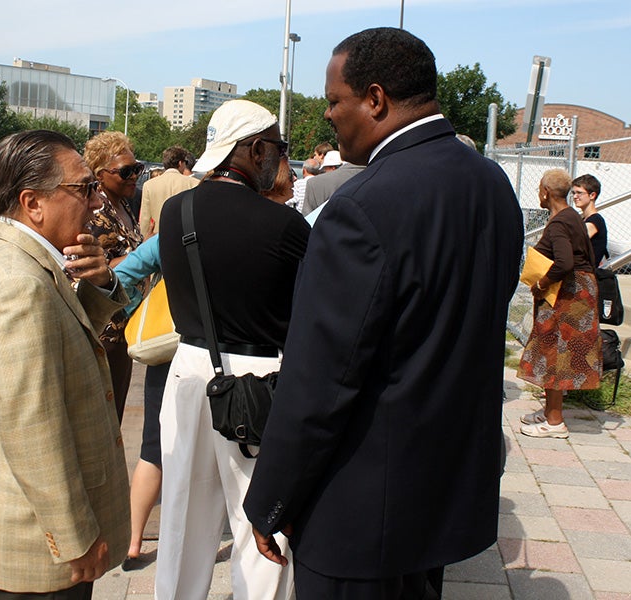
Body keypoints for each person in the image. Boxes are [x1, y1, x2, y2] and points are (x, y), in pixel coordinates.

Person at [243, 27, 524, 599]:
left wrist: (272, 497)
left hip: (360, 513)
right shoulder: (491, 183)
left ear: (375, 99)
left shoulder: (361, 207)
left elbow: (321, 381)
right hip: (441, 494)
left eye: (332, 100)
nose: (326, 115)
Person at [0, 129, 131, 599]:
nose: (96, 203)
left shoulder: (4, 254)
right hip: (41, 550)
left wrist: (103, 283)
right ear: (33, 203)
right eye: (84, 188)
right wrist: (75, 540)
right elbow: (32, 429)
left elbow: (60, 340)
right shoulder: (19, 285)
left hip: (13, 528)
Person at [156, 99, 309, 600]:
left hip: (188, 370)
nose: (280, 160)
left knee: (182, 519)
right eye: (279, 149)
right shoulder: (286, 227)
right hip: (261, 380)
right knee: (262, 528)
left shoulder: (175, 209)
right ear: (256, 148)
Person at [518, 169, 602, 438]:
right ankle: (549, 412)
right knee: (553, 352)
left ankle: (555, 423)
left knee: (555, 354)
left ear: (545, 191)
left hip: (567, 297)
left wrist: (542, 283)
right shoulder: (571, 217)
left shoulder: (559, 223)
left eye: (539, 189)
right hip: (578, 293)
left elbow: (565, 263)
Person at [112, 236, 168, 569]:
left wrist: (137, 307)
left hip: (170, 348)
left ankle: (133, 543)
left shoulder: (178, 224)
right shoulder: (258, 221)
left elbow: (125, 274)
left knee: (154, 449)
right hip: (233, 354)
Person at [83, 131, 145, 423]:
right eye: (126, 171)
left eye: (137, 168)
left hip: (125, 327)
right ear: (100, 174)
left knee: (115, 415)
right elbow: (91, 267)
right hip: (105, 330)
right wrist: (146, 255)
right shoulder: (95, 212)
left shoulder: (125, 207)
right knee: (103, 420)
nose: (134, 176)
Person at [139, 145, 199, 236]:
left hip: (157, 238)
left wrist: (144, 240)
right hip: (185, 238)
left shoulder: (149, 185)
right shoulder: (194, 183)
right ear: (180, 163)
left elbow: (145, 219)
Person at [301, 150, 365, 216]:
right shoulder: (365, 175)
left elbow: (307, 217)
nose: (324, 172)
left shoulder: (314, 183)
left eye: (325, 169)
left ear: (333, 168)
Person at [572, 174, 608, 266]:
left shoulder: (595, 220)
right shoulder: (584, 219)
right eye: (573, 193)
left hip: (585, 275)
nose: (575, 196)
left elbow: (575, 243)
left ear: (592, 195)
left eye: (579, 193)